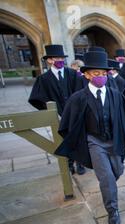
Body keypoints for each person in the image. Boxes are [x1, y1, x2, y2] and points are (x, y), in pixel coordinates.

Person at [55, 51, 125, 224]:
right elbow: (66, 125)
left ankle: (109, 188)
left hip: (114, 141)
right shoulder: (78, 98)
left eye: (103, 73)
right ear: (86, 74)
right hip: (94, 142)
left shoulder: (115, 94)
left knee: (117, 170)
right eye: (95, 73)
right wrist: (79, 141)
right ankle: (112, 209)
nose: (100, 77)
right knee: (106, 177)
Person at [28, 44, 85, 175]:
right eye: (56, 58)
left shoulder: (73, 74)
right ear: (49, 60)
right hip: (58, 116)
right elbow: (36, 98)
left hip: (75, 114)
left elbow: (81, 93)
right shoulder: (44, 79)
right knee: (64, 140)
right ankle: (69, 164)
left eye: (61, 58)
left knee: (79, 137)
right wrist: (50, 112)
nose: (60, 60)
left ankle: (80, 162)